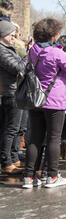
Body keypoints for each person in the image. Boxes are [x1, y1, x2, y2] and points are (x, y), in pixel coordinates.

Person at [22, 18, 66, 189]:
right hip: (54, 101)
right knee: (54, 139)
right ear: (53, 35)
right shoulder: (56, 52)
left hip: (35, 100)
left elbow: (53, 65)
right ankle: (52, 176)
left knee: (35, 139)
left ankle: (29, 177)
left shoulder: (34, 50)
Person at [0, 20, 26, 174]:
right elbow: (18, 68)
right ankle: (5, 162)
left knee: (17, 129)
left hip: (15, 92)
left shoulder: (8, 48)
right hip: (10, 93)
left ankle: (13, 157)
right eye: (10, 34)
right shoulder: (2, 50)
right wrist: (27, 54)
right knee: (10, 129)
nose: (13, 37)